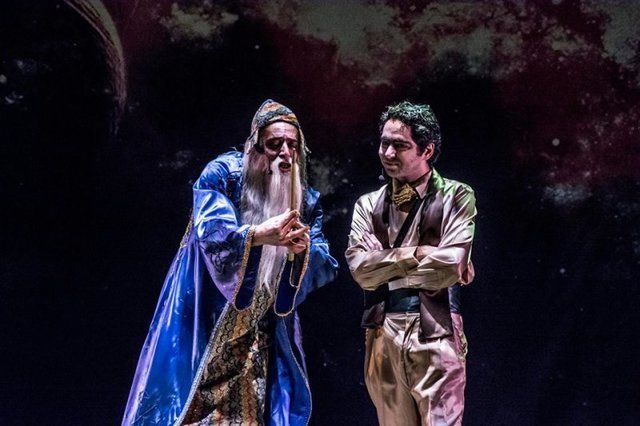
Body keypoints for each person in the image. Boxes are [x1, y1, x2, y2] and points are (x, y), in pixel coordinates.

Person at [123, 99, 338, 425]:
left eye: (292, 145)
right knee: (185, 411)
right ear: (255, 146)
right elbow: (213, 232)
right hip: (205, 320)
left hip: (254, 336)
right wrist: (258, 235)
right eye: (274, 144)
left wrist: (301, 252)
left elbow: (324, 259)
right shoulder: (224, 175)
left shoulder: (304, 199)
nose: (284, 154)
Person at [345, 101, 477, 425]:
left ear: (426, 150)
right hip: (382, 330)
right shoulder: (368, 204)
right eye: (384, 143)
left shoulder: (456, 196)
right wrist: (418, 254)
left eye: (400, 145)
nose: (388, 153)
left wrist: (384, 261)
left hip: (436, 328)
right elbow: (360, 270)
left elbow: (450, 265)